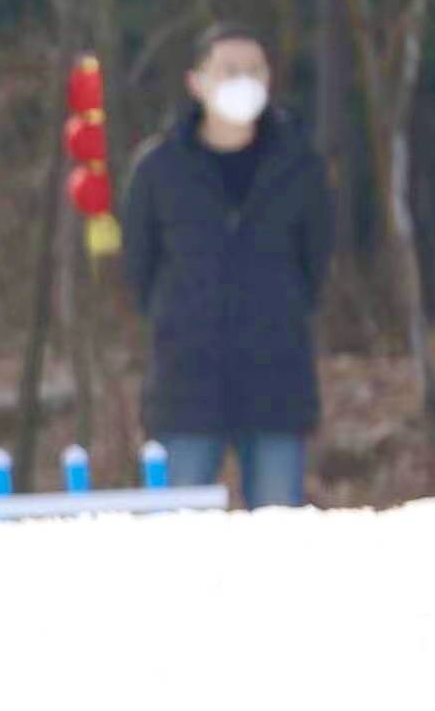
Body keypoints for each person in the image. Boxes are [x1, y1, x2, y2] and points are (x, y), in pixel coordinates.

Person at [123, 27, 332, 508]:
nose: (244, 81)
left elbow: (315, 261)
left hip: (277, 381)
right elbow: (140, 267)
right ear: (197, 81)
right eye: (229, 70)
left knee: (278, 533)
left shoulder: (299, 165)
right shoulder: (159, 169)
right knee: (180, 532)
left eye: (254, 70)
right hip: (186, 386)